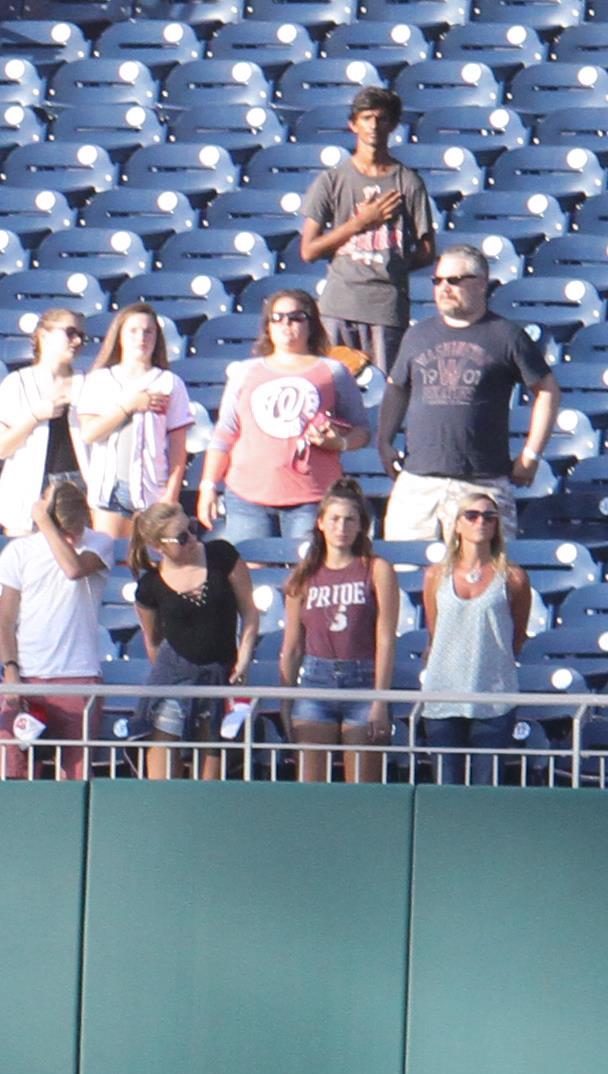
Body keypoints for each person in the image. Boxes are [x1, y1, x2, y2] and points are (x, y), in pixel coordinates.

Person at [382, 252, 557, 551]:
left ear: (481, 285)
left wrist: (531, 454)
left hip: (481, 483)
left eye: (454, 280)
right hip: (417, 483)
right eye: (437, 280)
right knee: (405, 577)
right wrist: (384, 441)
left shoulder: (507, 336)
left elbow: (548, 391)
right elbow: (396, 388)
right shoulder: (417, 334)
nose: (443, 288)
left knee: (483, 580)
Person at [202, 289, 366, 552]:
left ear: (311, 324)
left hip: (312, 496)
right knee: (250, 577)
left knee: (305, 577)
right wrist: (208, 485)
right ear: (267, 326)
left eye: (295, 317)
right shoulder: (246, 372)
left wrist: (340, 443)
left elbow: (362, 430)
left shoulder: (333, 371)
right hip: (247, 497)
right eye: (277, 318)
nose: (285, 324)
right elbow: (225, 433)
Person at [300, 88, 438, 379]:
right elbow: (308, 250)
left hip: (386, 308)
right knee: (331, 389)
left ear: (392, 125)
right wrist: (359, 224)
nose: (374, 126)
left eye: (381, 118)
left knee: (383, 391)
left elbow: (427, 251)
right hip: (339, 304)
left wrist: (393, 265)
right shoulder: (332, 180)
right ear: (353, 124)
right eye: (366, 118)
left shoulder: (408, 182)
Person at [0, 475, 112, 780]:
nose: (72, 537)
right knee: (14, 774)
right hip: (25, 677)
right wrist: (10, 671)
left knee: (74, 777)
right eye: (65, 530)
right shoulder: (19, 551)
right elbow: (5, 621)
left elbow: (72, 569)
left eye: (75, 529)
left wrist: (44, 523)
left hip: (78, 677)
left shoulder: (100, 542)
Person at [280, 483, 398, 784]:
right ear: (320, 523)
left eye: (349, 520)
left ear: (361, 527)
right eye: (334, 519)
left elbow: (385, 638)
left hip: (363, 679)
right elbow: (292, 646)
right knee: (311, 786)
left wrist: (380, 700)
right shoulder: (303, 576)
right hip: (315, 681)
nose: (341, 527)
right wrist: (285, 700)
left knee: (361, 785)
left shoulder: (376, 568)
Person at [129, 492, 246, 782]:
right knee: (162, 780)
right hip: (173, 676)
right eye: (182, 538)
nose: (193, 539)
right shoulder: (150, 586)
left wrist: (243, 658)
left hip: (220, 673)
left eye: (192, 529)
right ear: (159, 547)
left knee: (211, 775)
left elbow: (251, 614)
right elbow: (152, 639)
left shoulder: (221, 555)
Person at [416, 487, 534, 768]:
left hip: (493, 693)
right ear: (457, 524)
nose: (480, 522)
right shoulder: (436, 575)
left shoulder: (513, 577)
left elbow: (516, 637)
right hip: (444, 691)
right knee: (446, 788)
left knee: (487, 789)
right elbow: (436, 631)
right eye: (471, 515)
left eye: (489, 516)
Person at [72, 304, 204, 526]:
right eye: (132, 331)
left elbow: (177, 446)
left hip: (151, 490)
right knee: (107, 557)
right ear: (120, 336)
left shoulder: (169, 382)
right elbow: (89, 433)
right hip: (109, 489)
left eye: (148, 331)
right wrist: (129, 406)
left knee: (147, 559)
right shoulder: (99, 380)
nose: (141, 337)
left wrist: (170, 494)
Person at [0, 305, 95, 542]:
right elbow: (2, 448)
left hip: (78, 486)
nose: (76, 341)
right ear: (43, 335)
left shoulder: (89, 383)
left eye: (81, 336)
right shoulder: (17, 383)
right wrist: (35, 416)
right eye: (69, 332)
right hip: (29, 487)